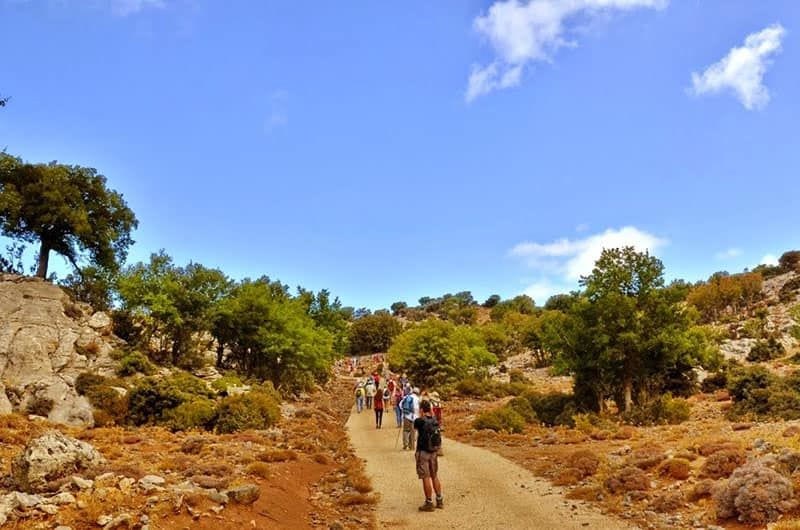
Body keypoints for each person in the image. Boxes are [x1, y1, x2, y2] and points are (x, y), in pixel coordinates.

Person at [414, 399, 444, 511]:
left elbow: (416, 429)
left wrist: (420, 415)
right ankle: (439, 500)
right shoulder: (435, 420)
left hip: (423, 452)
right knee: (434, 476)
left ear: (421, 409)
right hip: (433, 452)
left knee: (425, 477)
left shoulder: (419, 421)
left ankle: (429, 502)